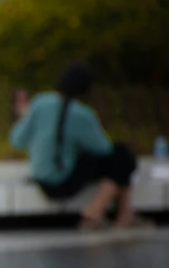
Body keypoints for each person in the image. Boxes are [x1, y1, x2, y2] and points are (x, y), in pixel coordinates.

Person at [10, 62, 153, 230]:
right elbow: (104, 148)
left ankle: (124, 214)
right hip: (64, 181)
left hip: (42, 179)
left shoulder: (39, 103)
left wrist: (25, 119)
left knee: (119, 157)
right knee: (123, 156)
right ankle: (99, 210)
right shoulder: (81, 113)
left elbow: (17, 140)